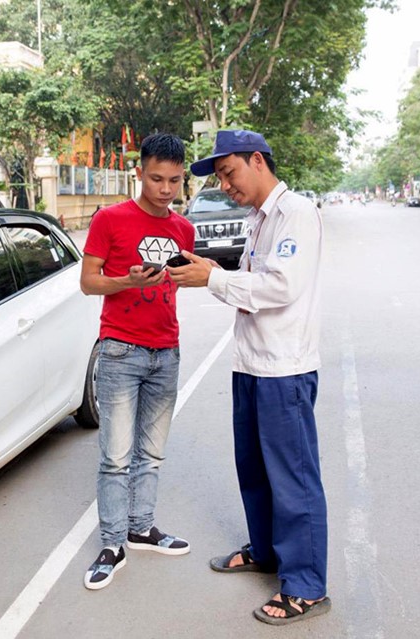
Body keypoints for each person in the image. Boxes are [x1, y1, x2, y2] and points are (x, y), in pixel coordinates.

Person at [168, 129, 330, 625]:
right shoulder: (260, 220)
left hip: (284, 368)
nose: (226, 185)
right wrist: (207, 268)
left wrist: (211, 278)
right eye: (219, 177)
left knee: (293, 481)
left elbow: (279, 286)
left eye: (229, 172)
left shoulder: (296, 213)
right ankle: (266, 550)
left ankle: (305, 586)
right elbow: (248, 281)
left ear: (258, 161)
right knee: (256, 473)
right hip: (252, 365)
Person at [80, 133, 196, 590]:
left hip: (167, 350)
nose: (165, 189)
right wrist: (125, 281)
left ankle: (141, 526)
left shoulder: (183, 229)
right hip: (120, 350)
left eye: (173, 180)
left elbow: (180, 283)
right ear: (139, 173)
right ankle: (111, 544)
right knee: (115, 456)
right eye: (155, 178)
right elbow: (89, 283)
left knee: (151, 454)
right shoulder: (110, 220)